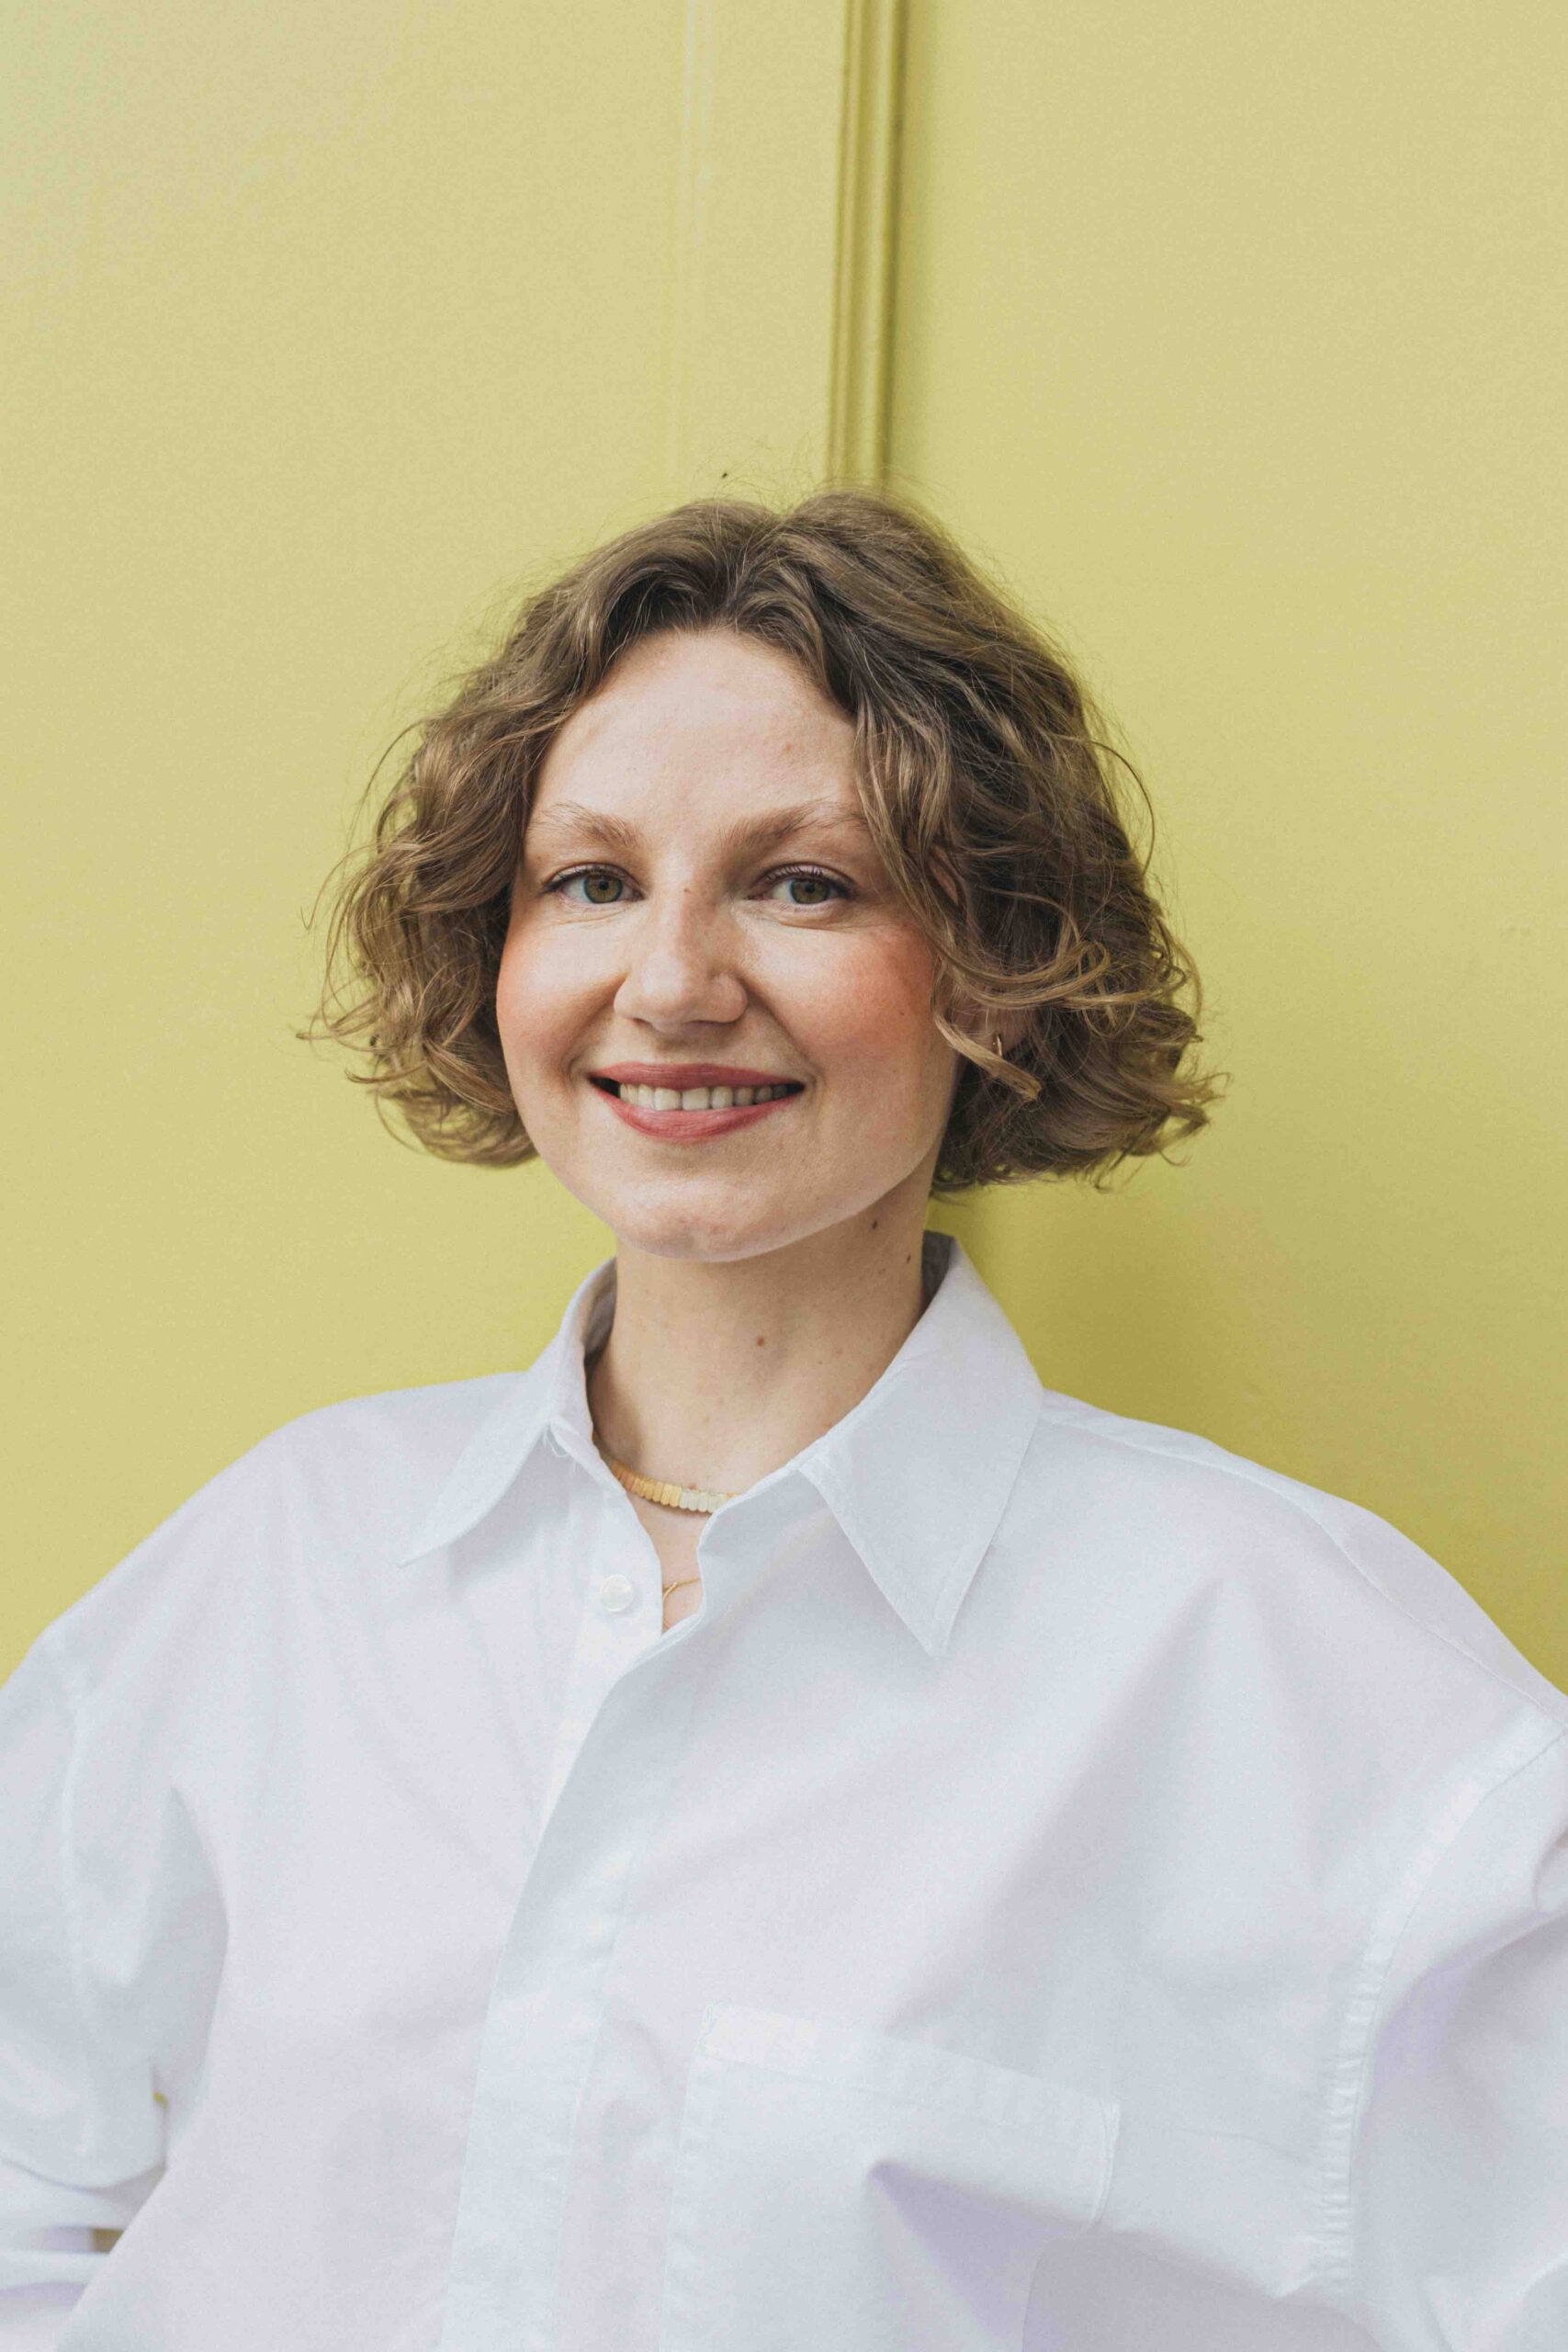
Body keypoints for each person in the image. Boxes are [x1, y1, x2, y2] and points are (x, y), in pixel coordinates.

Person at [1, 491, 1562, 2352]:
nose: (670, 982)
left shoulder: (1294, 1678)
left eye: (802, 882)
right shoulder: (282, 1565)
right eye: (589, 880)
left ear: (990, 961)